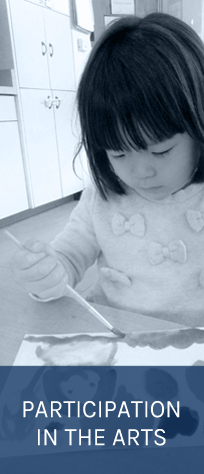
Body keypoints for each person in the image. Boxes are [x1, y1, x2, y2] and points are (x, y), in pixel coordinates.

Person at [10, 13, 204, 327]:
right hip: (115, 338)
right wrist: (47, 274)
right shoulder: (100, 202)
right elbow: (68, 259)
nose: (141, 171)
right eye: (119, 153)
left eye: (161, 151)